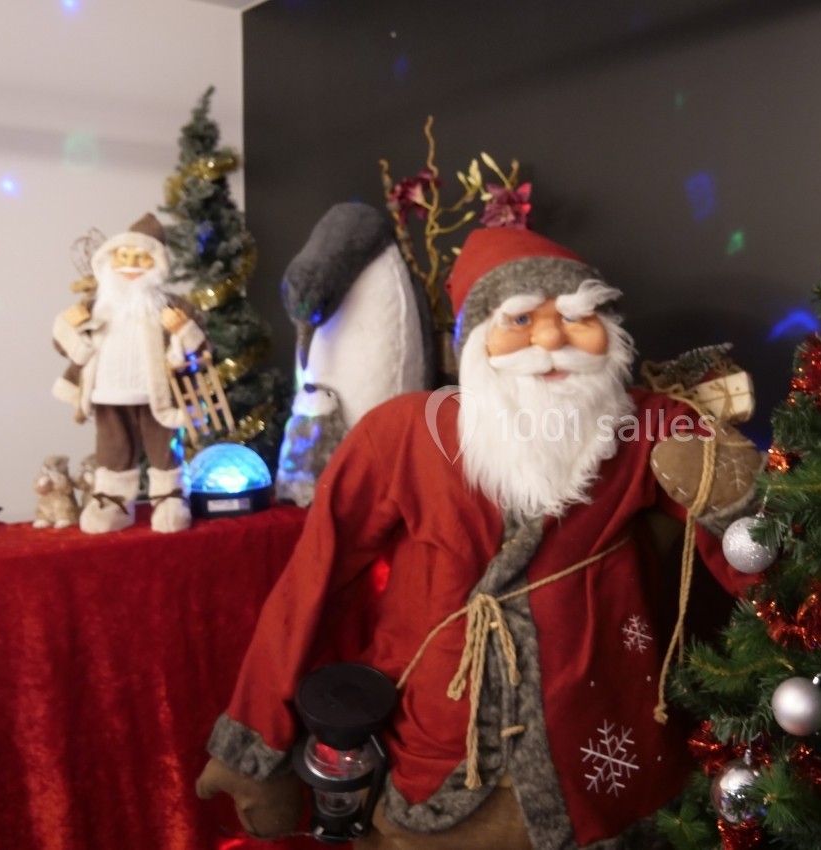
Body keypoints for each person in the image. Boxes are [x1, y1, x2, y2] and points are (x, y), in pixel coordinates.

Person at [196, 228, 761, 848]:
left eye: (577, 318)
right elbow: (314, 580)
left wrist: (739, 505)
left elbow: (750, 551)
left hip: (603, 757)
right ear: (475, 342)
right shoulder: (406, 433)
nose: (549, 340)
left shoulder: (646, 425)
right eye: (520, 319)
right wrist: (258, 742)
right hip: (437, 753)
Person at [52, 213, 207, 534]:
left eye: (142, 258)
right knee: (112, 448)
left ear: (157, 264)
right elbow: (62, 343)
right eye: (125, 257)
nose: (132, 265)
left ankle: (170, 498)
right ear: (110, 260)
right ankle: (113, 502)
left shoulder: (173, 306)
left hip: (158, 395)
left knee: (165, 447)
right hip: (107, 392)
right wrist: (71, 327)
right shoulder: (95, 305)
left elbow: (202, 349)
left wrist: (183, 330)